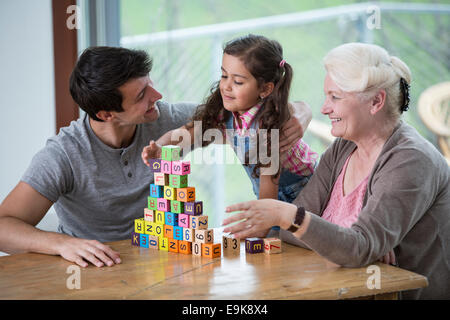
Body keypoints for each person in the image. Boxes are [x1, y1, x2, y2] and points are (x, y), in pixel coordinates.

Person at [0, 46, 310, 268]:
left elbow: (251, 109)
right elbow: (4, 227)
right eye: (142, 95)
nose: (157, 97)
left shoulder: (164, 117)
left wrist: (299, 111)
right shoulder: (63, 156)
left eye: (150, 84)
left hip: (165, 260)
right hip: (100, 270)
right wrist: (60, 243)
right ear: (107, 113)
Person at [222, 42, 450, 299]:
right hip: (344, 288)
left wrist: (289, 216)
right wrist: (342, 241)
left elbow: (353, 248)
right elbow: (293, 233)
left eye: (335, 97)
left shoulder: (411, 160)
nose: (324, 108)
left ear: (376, 102)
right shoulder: (344, 147)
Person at [142, 35, 318, 238]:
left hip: (306, 195)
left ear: (265, 89)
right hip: (272, 197)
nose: (226, 86)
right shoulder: (228, 112)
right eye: (224, 76)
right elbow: (187, 132)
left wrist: (256, 233)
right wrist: (161, 146)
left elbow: (269, 191)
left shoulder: (266, 127)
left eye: (238, 81)